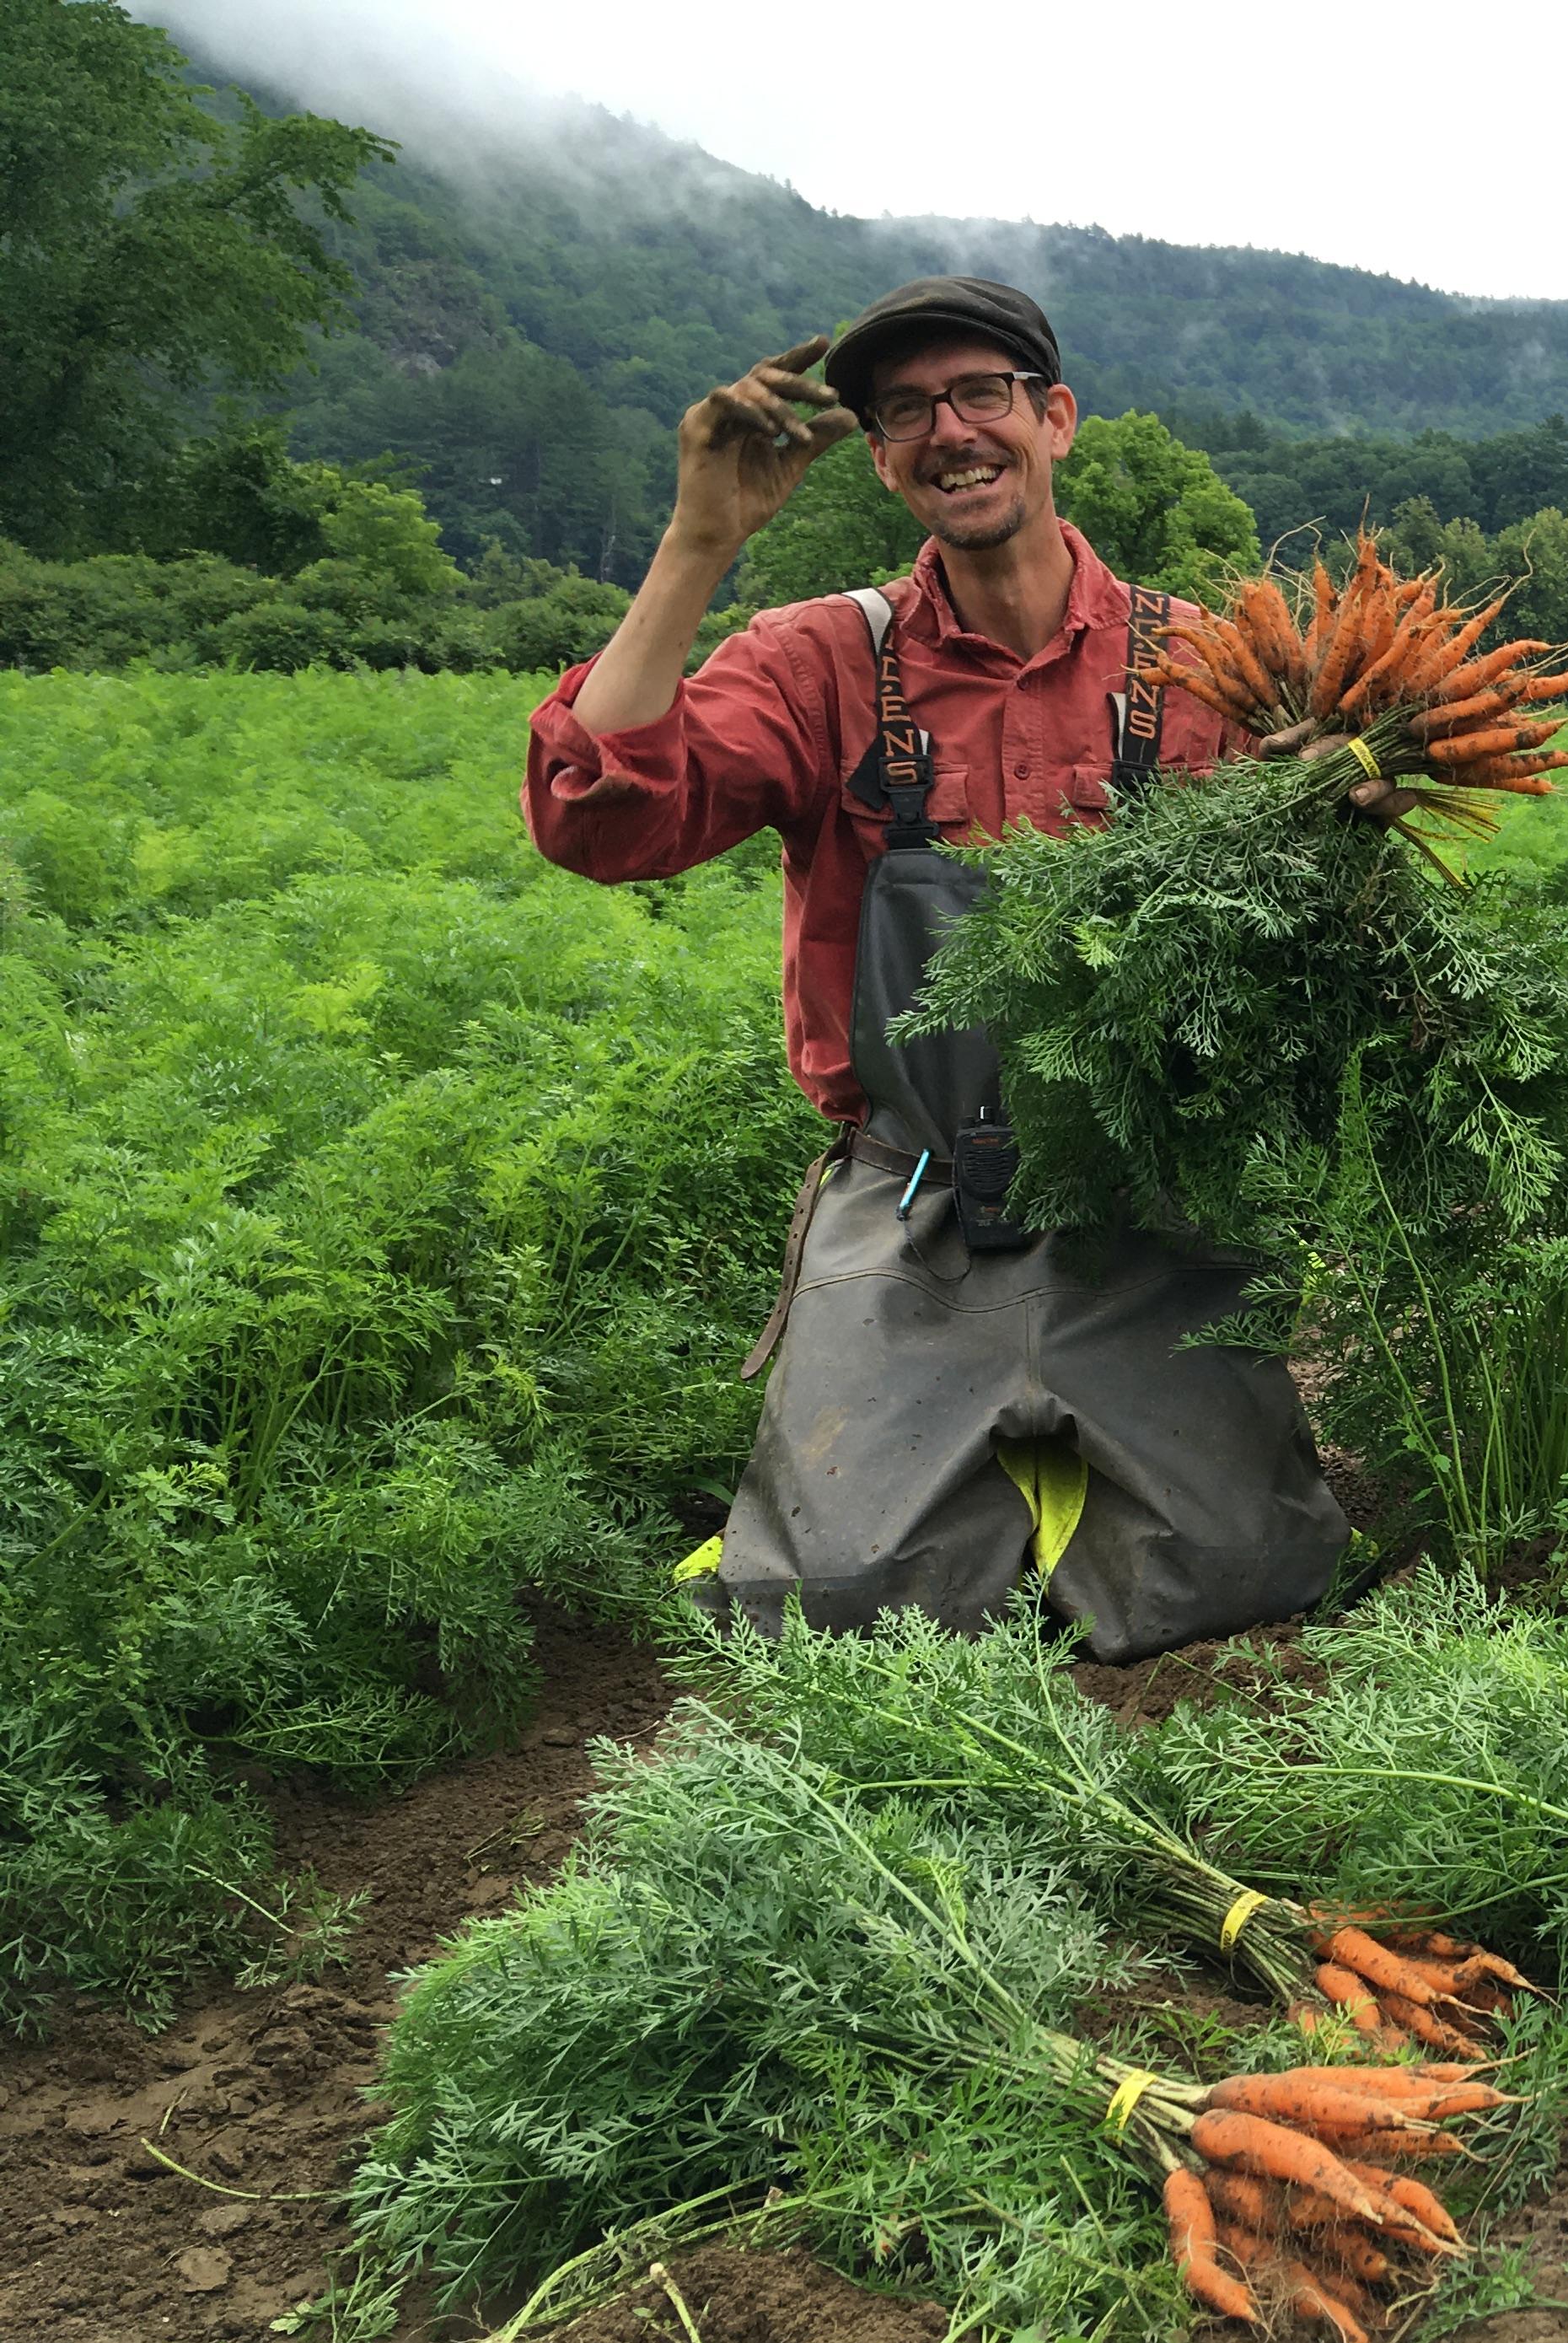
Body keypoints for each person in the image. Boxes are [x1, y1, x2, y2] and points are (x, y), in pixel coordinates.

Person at [525, 276, 1354, 1659]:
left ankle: (1063, 1480)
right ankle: (986, 1481)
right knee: (835, 1609)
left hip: (1143, 1200)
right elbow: (599, 823)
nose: (948, 431)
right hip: (911, 1194)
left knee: (1242, 1573)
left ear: (1056, 420)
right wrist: (696, 542)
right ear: (882, 455)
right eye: (903, 412)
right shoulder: (821, 658)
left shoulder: (1213, 661)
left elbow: (1310, 921)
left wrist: (1343, 806)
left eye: (980, 395)